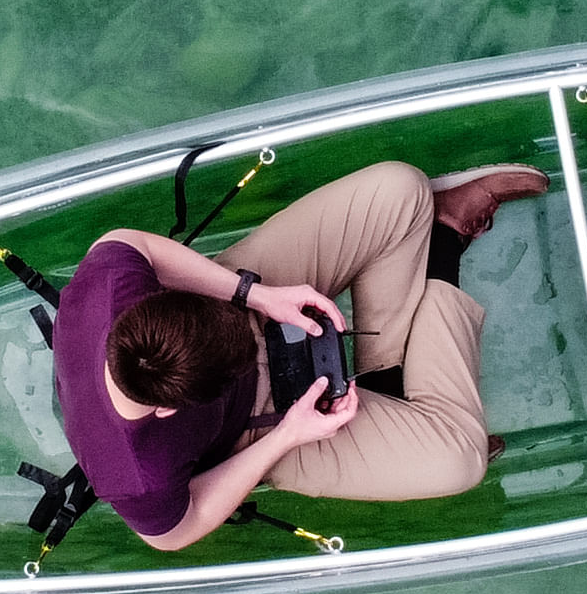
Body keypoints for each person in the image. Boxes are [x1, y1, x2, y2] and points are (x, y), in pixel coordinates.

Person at [52, 161, 547, 551]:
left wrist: (252, 296)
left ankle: (387, 381)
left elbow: (129, 243)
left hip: (242, 301)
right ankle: (445, 242)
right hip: (259, 426)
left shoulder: (108, 291)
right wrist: (288, 434)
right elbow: (175, 532)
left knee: (401, 189)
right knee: (460, 461)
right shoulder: (132, 476)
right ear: (169, 408)